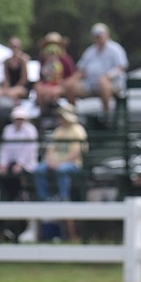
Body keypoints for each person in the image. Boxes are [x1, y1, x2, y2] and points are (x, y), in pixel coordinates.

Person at [33, 103, 87, 242]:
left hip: (72, 164)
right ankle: (44, 197)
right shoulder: (58, 131)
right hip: (55, 163)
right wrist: (51, 161)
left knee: (62, 170)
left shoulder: (77, 130)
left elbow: (76, 153)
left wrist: (59, 163)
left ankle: (64, 195)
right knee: (39, 170)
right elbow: (50, 150)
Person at [62, 22, 128, 125]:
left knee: (103, 83)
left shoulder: (115, 49)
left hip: (112, 84)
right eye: (96, 35)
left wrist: (107, 76)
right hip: (90, 84)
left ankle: (107, 116)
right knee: (71, 86)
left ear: (106, 35)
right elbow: (81, 69)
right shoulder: (90, 51)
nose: (98, 38)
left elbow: (120, 67)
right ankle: (72, 116)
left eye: (100, 35)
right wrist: (72, 80)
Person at [0, 106, 39, 241]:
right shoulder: (8, 130)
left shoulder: (30, 130)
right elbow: (5, 150)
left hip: (26, 166)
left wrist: (19, 164)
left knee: (16, 185)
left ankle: (15, 226)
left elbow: (29, 149)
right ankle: (5, 224)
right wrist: (3, 164)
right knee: (5, 183)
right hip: (11, 167)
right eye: (16, 118)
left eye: (21, 118)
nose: (18, 121)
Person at [33, 32, 76, 116]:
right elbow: (41, 77)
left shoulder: (66, 59)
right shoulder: (43, 59)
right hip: (47, 85)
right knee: (39, 90)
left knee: (54, 92)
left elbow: (72, 76)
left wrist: (60, 85)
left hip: (62, 85)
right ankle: (43, 115)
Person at [0, 36, 30, 112]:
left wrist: (12, 89)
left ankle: (16, 112)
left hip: (21, 87)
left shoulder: (23, 61)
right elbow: (6, 79)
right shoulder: (6, 62)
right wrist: (6, 89)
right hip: (10, 87)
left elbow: (24, 79)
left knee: (12, 93)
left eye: (16, 46)